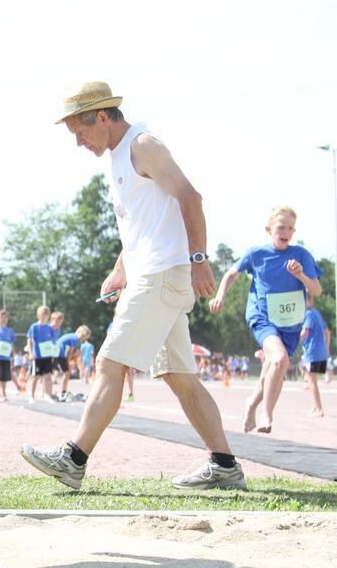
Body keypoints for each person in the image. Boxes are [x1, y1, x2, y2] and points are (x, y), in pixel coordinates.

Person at [22, 81, 246, 491]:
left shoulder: (143, 145)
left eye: (81, 132)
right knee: (181, 377)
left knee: (110, 363)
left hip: (162, 275)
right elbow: (143, 226)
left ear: (103, 117)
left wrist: (199, 261)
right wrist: (120, 268)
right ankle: (225, 465)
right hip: (151, 274)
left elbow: (190, 198)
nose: (79, 143)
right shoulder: (118, 157)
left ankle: (74, 459)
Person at [210, 206, 322, 433]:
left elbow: (317, 291)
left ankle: (252, 403)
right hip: (262, 317)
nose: (286, 232)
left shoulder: (301, 255)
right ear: (268, 229)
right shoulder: (256, 254)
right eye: (281, 227)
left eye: (291, 228)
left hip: (290, 323)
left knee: (274, 368)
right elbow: (231, 273)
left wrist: (300, 275)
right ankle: (266, 415)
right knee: (280, 359)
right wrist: (220, 296)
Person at [300, 295, 330, 417]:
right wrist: (326, 348)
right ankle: (314, 406)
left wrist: (292, 340)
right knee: (310, 378)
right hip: (320, 350)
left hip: (312, 351)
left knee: (313, 381)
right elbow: (327, 332)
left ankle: (319, 409)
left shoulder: (308, 314)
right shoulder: (316, 312)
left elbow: (305, 332)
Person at [26, 306, 57, 403]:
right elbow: (30, 340)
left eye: (46, 315)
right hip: (38, 356)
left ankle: (47, 395)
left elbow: (52, 342)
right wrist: (31, 353)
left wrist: (53, 352)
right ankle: (32, 396)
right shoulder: (34, 327)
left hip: (47, 355)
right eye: (42, 315)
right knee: (36, 376)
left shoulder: (49, 328)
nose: (44, 317)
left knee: (47, 375)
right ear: (39, 315)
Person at [0, 308, 18, 402]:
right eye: (1, 317)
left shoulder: (10, 331)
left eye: (5, 317)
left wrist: (13, 354)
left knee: (5, 377)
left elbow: (11, 343)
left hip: (6, 357)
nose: (3, 319)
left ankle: (4, 393)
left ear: (8, 319)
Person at [56, 326, 91, 398]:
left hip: (58, 351)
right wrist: (67, 362)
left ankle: (63, 391)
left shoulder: (72, 336)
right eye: (83, 338)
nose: (82, 340)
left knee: (78, 352)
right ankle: (63, 392)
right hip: (60, 353)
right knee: (67, 373)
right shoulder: (75, 338)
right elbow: (70, 351)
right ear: (81, 334)